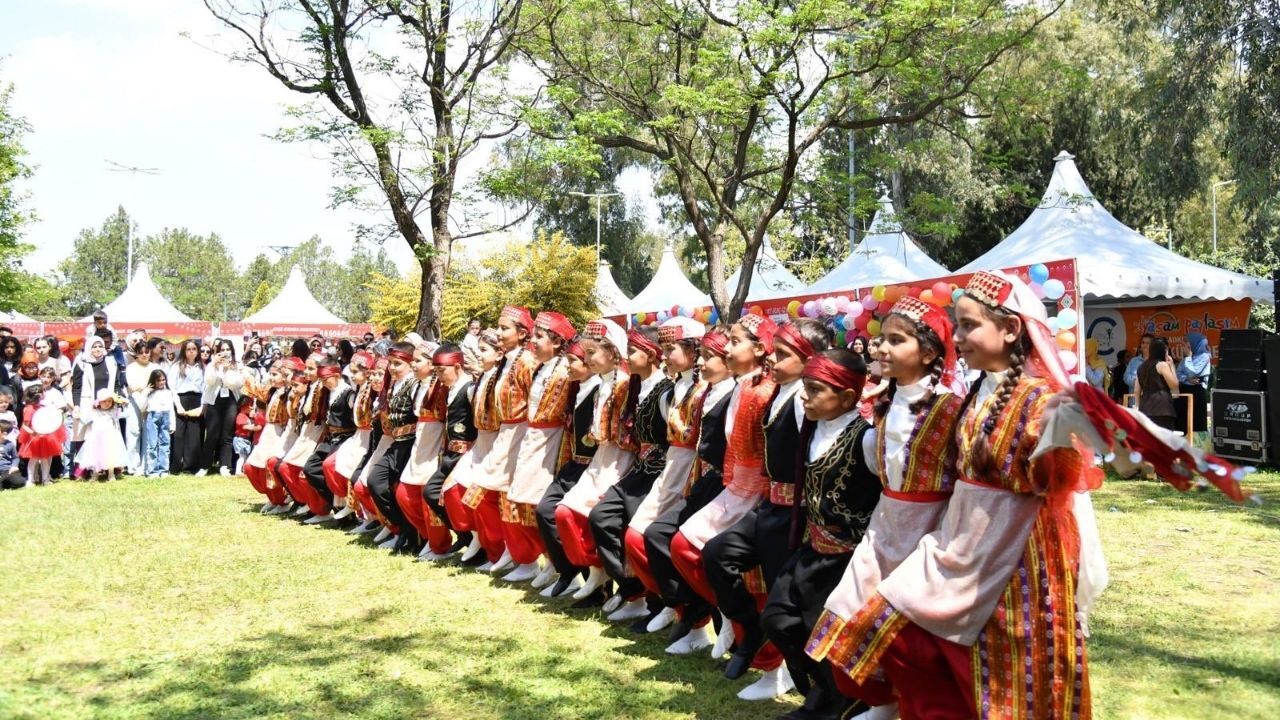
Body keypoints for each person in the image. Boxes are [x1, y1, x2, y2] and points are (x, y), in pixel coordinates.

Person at [803, 296, 964, 720]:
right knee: (844, 620)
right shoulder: (885, 404)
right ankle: (884, 703)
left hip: (927, 530)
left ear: (929, 353)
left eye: (896, 340)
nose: (882, 348)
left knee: (903, 635)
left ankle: (906, 707)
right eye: (882, 339)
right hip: (883, 526)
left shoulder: (950, 408)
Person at [669, 311, 794, 702]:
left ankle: (769, 660)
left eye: (736, 340)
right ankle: (735, 619)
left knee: (752, 576)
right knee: (683, 545)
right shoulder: (746, 386)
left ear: (759, 349)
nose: (728, 347)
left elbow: (769, 455)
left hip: (758, 492)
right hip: (733, 484)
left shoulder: (764, 391)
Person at [701, 318, 828, 686]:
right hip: (769, 505)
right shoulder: (777, 392)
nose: (772, 358)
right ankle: (749, 630)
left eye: (784, 354)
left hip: (795, 513)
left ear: (808, 360)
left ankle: (795, 673)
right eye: (774, 351)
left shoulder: (806, 402)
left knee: (783, 597)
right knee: (717, 554)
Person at [761, 348, 881, 720]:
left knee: (823, 632)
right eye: (806, 388)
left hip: (846, 556)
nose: (804, 396)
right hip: (812, 547)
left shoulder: (867, 440)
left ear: (847, 397)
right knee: (778, 618)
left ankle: (831, 703)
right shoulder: (811, 428)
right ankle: (821, 692)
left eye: (814, 390)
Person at [619, 317, 706, 624]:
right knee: (636, 534)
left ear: (693, 351)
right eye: (664, 348)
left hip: (693, 468)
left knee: (663, 536)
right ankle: (669, 601)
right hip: (671, 464)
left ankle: (684, 612)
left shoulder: (704, 389)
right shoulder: (674, 388)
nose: (665, 355)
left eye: (671, 349)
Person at [586, 325, 674, 607]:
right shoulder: (636, 386)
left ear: (650, 355)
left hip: (659, 472)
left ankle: (657, 601)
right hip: (639, 469)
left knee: (640, 535)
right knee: (601, 516)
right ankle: (630, 587)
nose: (627, 356)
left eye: (633, 351)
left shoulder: (665, 391)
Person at [555, 318, 638, 605]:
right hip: (599, 461)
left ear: (614, 353)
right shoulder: (601, 386)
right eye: (586, 353)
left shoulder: (626, 386)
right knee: (565, 511)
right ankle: (596, 571)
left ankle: (625, 589)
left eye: (592, 353)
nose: (587, 358)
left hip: (620, 461)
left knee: (601, 517)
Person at [503, 311, 577, 583]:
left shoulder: (565, 372)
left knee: (540, 502)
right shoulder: (540, 368)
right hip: (533, 436)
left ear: (557, 342)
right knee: (524, 500)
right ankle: (541, 560)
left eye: (539, 336)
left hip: (551, 440)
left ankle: (557, 565)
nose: (533, 341)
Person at [468, 306, 538, 572]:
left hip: (521, 433)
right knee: (482, 492)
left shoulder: (527, 362)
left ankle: (525, 557)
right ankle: (504, 550)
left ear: (521, 334)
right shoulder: (507, 361)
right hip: (505, 433)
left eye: (504, 328)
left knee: (510, 497)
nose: (498, 333)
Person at [534, 336, 600, 596]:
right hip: (574, 463)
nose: (568, 366)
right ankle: (569, 570)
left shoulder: (597, 391)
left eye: (573, 361)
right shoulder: (578, 388)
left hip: (593, 466)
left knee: (570, 515)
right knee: (545, 510)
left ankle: (593, 577)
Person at [441, 330, 504, 563]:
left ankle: (496, 552)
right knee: (452, 489)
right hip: (481, 442)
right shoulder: (480, 380)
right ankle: (477, 539)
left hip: (498, 441)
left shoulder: (500, 378)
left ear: (499, 354)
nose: (478, 355)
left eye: (484, 350)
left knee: (482, 498)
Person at [365, 342, 425, 553]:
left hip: (409, 443)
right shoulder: (394, 384)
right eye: (390, 363)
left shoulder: (414, 384)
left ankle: (414, 536)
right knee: (375, 482)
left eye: (398, 363)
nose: (392, 368)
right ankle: (402, 528)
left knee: (402, 491)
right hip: (395, 443)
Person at [419, 344, 476, 561]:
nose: (440, 376)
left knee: (450, 495)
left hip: (467, 452)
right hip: (450, 453)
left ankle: (474, 541)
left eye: (443, 370)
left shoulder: (469, 389)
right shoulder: (449, 389)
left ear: (458, 366)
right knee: (431, 493)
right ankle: (464, 536)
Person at [297, 357, 357, 524]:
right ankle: (333, 500)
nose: (323, 383)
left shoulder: (348, 394)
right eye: (321, 380)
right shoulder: (327, 392)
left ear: (337, 375)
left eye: (326, 379)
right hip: (330, 438)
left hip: (345, 437)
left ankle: (345, 508)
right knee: (310, 468)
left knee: (331, 467)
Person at [71, 333, 124, 476]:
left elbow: (117, 384)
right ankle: (85, 470)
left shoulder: (111, 362)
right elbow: (76, 387)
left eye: (100, 346)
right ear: (89, 348)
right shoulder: (82, 362)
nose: (98, 349)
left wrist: (119, 399)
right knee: (87, 437)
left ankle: (110, 468)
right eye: (94, 346)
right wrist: (76, 406)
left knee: (109, 437)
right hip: (88, 403)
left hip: (108, 405)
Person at [197, 339, 245, 477]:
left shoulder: (237, 366)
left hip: (230, 400)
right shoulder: (212, 365)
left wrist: (227, 369)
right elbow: (209, 381)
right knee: (211, 434)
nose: (225, 353)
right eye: (222, 350)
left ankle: (225, 465)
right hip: (214, 400)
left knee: (227, 434)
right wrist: (215, 365)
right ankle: (204, 466)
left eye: (227, 349)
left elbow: (235, 384)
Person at [168, 340, 205, 474]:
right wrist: (178, 405)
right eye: (188, 349)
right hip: (181, 398)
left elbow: (205, 388)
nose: (191, 351)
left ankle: (191, 466)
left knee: (194, 435)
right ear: (184, 351)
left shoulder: (202, 367)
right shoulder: (177, 366)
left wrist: (202, 407)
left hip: (197, 399)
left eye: (194, 349)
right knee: (178, 434)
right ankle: (176, 465)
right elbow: (172, 387)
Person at [75, 389, 128, 481]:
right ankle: (95, 474)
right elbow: (85, 420)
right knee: (95, 455)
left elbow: (125, 415)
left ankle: (111, 474)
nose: (107, 403)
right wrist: (78, 417)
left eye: (109, 401)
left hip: (110, 437)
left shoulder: (114, 412)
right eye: (104, 401)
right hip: (96, 438)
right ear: (99, 402)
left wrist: (125, 403)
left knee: (111, 455)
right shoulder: (94, 412)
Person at [19, 384, 67, 486]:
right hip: (35, 438)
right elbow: (25, 425)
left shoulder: (43, 407)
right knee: (33, 459)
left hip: (46, 437)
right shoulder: (30, 409)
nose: (43, 394)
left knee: (46, 458)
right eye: (42, 392)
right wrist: (33, 432)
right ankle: (30, 480)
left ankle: (45, 479)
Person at [123, 339, 156, 476]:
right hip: (134, 402)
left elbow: (157, 384)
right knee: (133, 433)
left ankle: (145, 465)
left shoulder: (155, 367)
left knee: (148, 434)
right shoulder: (130, 368)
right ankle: (133, 466)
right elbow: (132, 387)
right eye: (141, 352)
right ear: (136, 354)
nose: (144, 355)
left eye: (146, 352)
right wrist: (142, 388)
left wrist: (144, 389)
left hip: (152, 401)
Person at [1134, 337, 1180, 431]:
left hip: (1145, 409)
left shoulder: (1141, 367)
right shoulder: (1162, 365)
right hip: (1163, 408)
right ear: (1163, 351)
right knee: (1164, 442)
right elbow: (1174, 385)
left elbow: (1136, 391)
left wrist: (1139, 407)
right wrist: (1171, 366)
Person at [1174, 331, 1212, 441]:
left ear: (1194, 343)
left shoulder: (1204, 356)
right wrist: (1186, 378)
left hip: (1197, 393)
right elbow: (1178, 374)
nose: (1185, 344)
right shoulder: (1188, 358)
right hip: (1184, 393)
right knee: (1183, 422)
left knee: (1196, 423)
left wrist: (1188, 357)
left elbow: (1193, 373)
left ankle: (1197, 450)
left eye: (1187, 341)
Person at [141, 369, 177, 477]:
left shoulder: (168, 392)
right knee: (152, 444)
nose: (161, 382)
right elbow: (142, 407)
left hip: (165, 417)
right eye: (158, 380)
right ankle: (152, 470)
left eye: (163, 380)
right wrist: (145, 393)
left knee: (165, 444)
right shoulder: (149, 393)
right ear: (153, 381)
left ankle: (164, 470)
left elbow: (171, 408)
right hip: (152, 417)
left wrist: (172, 424)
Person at [232, 397, 263, 476]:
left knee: (245, 456)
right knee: (242, 456)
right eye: (250, 405)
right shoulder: (241, 416)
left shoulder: (246, 416)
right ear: (243, 406)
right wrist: (254, 428)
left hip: (245, 440)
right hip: (241, 439)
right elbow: (244, 427)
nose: (252, 407)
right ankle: (238, 471)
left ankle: (243, 470)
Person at [0, 415, 20, 489]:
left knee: (19, 482)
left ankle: (3, 480)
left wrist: (14, 466)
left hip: (6, 470)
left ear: (4, 433)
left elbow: (15, 458)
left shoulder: (10, 444)